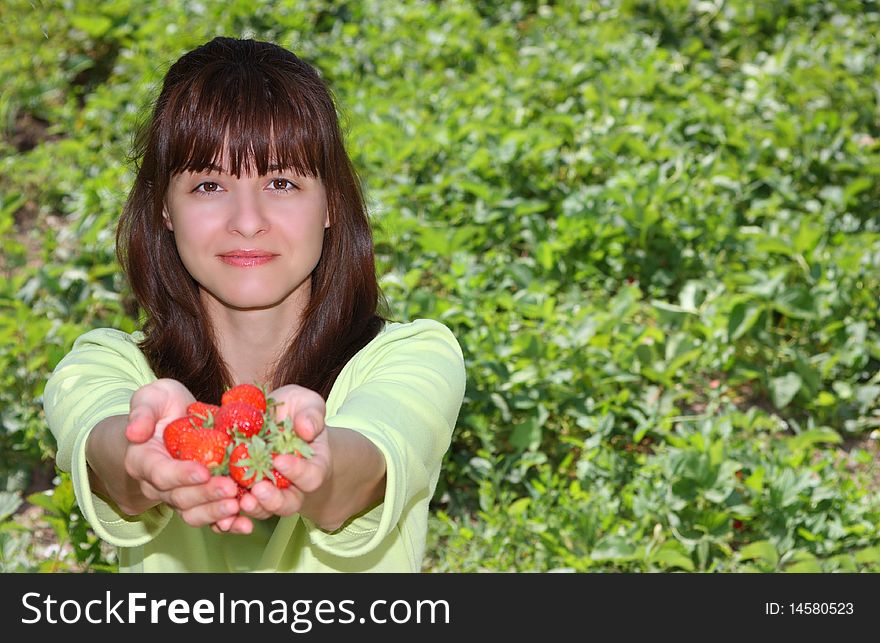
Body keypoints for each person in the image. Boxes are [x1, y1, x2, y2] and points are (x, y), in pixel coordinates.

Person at [42, 36, 466, 573]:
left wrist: (312, 461)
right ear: (164, 208)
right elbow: (101, 438)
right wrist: (140, 459)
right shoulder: (104, 366)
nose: (247, 220)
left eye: (282, 181)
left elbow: (362, 467)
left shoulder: (414, 356)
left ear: (332, 202)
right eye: (209, 185)